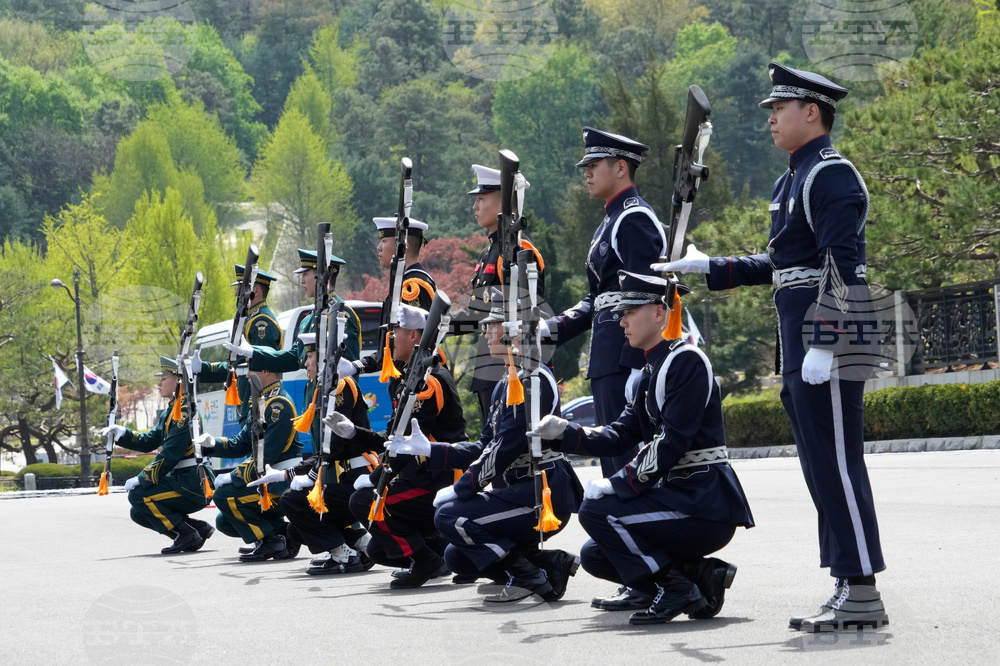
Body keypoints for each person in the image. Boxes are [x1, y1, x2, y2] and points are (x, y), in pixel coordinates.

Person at [660, 62, 887, 632]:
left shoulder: (830, 174)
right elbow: (782, 264)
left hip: (829, 338)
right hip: (805, 339)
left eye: (778, 110)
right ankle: (845, 581)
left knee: (836, 464)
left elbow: (844, 265)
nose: (770, 121)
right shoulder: (793, 179)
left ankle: (862, 588)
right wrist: (710, 267)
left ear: (812, 111)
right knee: (819, 467)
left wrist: (824, 341)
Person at [532, 271, 753, 623]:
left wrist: (618, 483)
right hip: (678, 497)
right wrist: (566, 432)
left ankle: (674, 587)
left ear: (660, 312)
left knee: (596, 512)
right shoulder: (651, 369)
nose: (621, 321)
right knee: (596, 554)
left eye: (630, 311)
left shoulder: (686, 361)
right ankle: (698, 577)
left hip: (702, 503)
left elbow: (672, 441)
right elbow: (621, 434)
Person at [390, 290, 583, 603]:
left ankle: (526, 576)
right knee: (457, 557)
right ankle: (549, 565)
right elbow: (485, 444)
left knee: (450, 518)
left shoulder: (531, 378)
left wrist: (464, 487)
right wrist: (430, 450)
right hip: (520, 488)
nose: (486, 331)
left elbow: (506, 446)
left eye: (493, 325)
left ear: (515, 331)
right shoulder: (507, 381)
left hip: (541, 491)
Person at [543, 128, 667, 478]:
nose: (587, 172)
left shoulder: (633, 218)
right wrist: (553, 328)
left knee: (624, 459)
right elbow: (598, 299)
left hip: (622, 358)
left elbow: (647, 294)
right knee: (613, 462)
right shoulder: (610, 221)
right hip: (607, 356)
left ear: (621, 168)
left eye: (595, 164)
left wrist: (635, 365)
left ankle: (627, 527)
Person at [335, 305, 467, 588]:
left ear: (415, 337)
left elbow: (405, 442)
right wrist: (354, 433)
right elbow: (393, 437)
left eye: (397, 332)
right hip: (418, 472)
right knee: (377, 550)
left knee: (365, 502)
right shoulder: (411, 378)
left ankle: (426, 560)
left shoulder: (428, 382)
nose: (392, 339)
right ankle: (439, 550)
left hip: (437, 474)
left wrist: (376, 479)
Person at [249, 351, 377, 575]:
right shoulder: (322, 388)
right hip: (344, 478)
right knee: (297, 529)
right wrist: (285, 474)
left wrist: (310, 477)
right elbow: (323, 452)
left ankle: (342, 555)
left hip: (358, 478)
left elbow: (335, 445)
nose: (305, 362)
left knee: (293, 502)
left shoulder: (340, 386)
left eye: (310, 356)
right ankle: (360, 544)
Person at [450, 164, 546, 423]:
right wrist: (439, 324)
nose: (475, 206)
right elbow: (477, 311)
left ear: (503, 202)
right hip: (487, 361)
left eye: (481, 199)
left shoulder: (520, 252)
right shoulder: (487, 254)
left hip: (512, 362)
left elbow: (530, 310)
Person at [100, 356, 215, 554]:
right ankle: (193, 530)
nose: (159, 383)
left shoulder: (185, 411)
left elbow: (171, 454)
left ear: (179, 380)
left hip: (192, 483)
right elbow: (149, 441)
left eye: (164, 378)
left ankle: (187, 534)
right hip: (181, 480)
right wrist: (122, 433)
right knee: (138, 512)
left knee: (138, 496)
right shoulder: (171, 410)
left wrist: (142, 478)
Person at [195, 369, 303, 562]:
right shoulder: (263, 401)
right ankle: (283, 535)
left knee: (224, 495)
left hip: (282, 480)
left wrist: (234, 476)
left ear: (268, 372)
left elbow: (266, 455)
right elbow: (241, 443)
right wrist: (213, 443)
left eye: (251, 369)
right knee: (225, 521)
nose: (246, 375)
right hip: (268, 477)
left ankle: (270, 542)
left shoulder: (279, 404)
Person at [192, 263, 283, 423]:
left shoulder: (261, 322)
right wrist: (203, 368)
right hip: (247, 402)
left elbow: (263, 368)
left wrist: (256, 405)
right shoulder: (250, 320)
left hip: (253, 402)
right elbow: (237, 366)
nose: (235, 293)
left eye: (240, 288)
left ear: (256, 291)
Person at [351, 217, 436, 377]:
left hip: (415, 377)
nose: (378, 247)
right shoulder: (404, 282)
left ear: (402, 246)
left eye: (383, 241)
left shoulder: (413, 286)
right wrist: (356, 366)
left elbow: (413, 342)